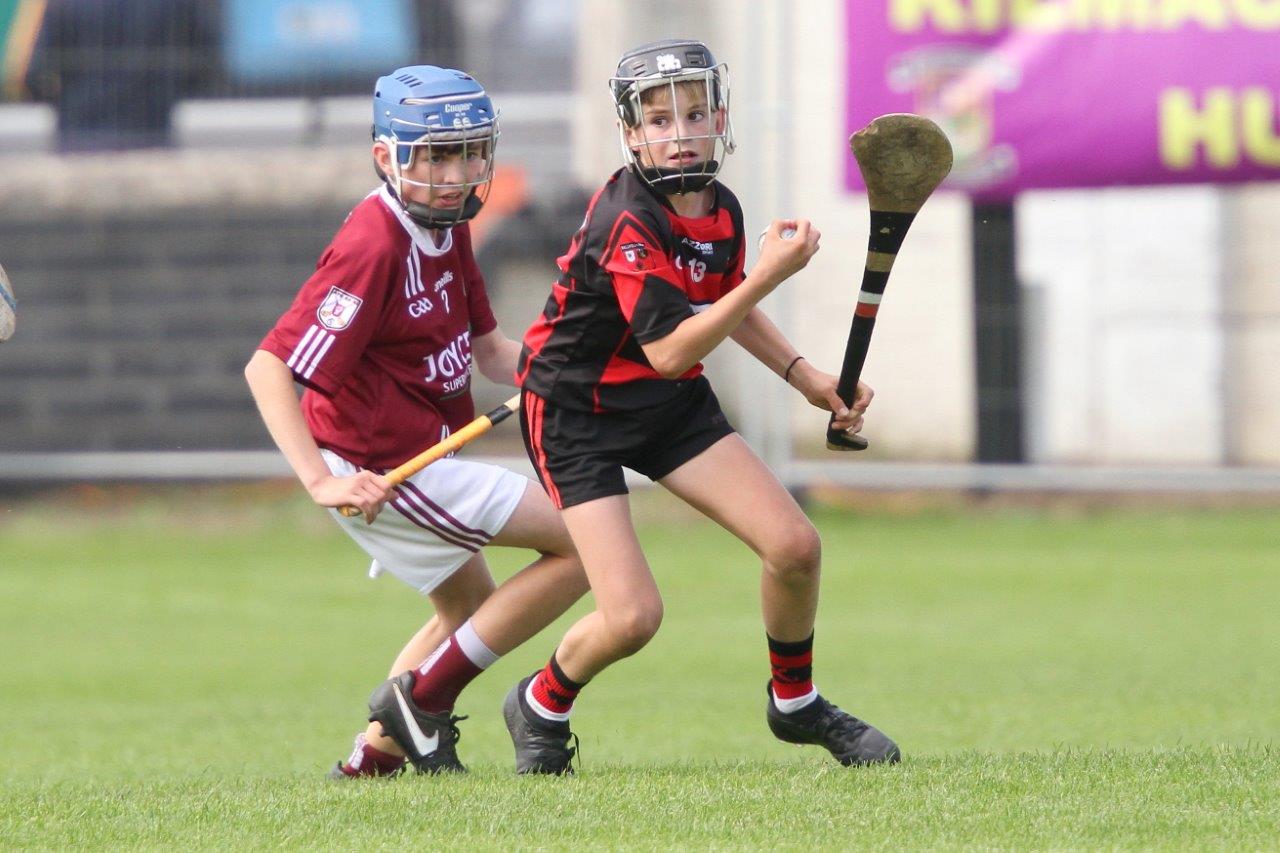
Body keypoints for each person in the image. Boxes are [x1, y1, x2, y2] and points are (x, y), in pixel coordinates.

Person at [504, 39, 900, 774]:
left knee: (795, 548)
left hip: (667, 406)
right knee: (632, 617)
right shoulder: (627, 217)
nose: (678, 131)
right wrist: (769, 279)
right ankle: (542, 699)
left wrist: (806, 374)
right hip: (574, 413)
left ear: (720, 118)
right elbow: (672, 348)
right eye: (658, 119)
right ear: (631, 134)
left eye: (694, 113)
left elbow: (719, 306)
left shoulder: (720, 207)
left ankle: (796, 702)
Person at [245, 65, 587, 778]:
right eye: (432, 154)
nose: (452, 172)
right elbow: (268, 368)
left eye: (465, 152)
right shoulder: (375, 243)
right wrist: (319, 481)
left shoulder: (448, 221)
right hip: (379, 467)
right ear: (386, 158)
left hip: (426, 453)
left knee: (468, 608)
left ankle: (372, 758)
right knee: (584, 544)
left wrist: (582, 368)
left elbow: (492, 351)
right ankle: (423, 707)